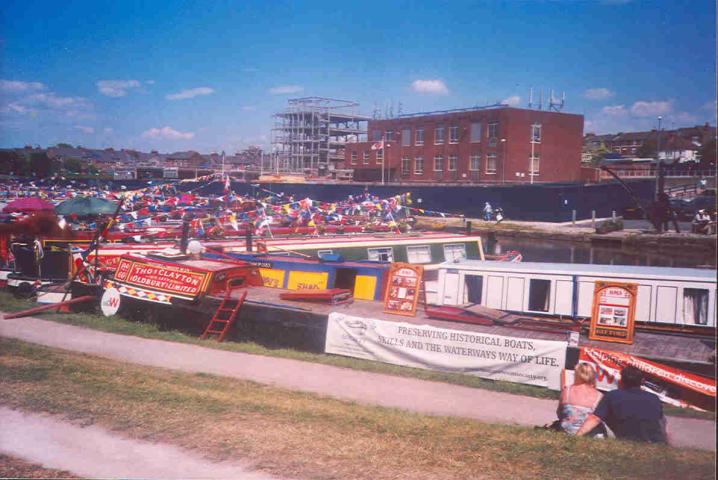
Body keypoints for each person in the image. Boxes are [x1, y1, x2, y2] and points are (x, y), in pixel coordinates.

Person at [576, 366, 667, 443]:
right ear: (642, 382)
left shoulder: (612, 396)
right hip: (655, 442)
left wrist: (577, 437)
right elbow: (661, 424)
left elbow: (595, 419)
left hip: (630, 441)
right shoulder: (654, 398)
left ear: (621, 381)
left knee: (603, 419)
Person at [557, 363, 605, 436]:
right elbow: (599, 419)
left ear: (576, 375)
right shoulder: (599, 396)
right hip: (590, 436)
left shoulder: (567, 391)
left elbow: (559, 413)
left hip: (567, 433)